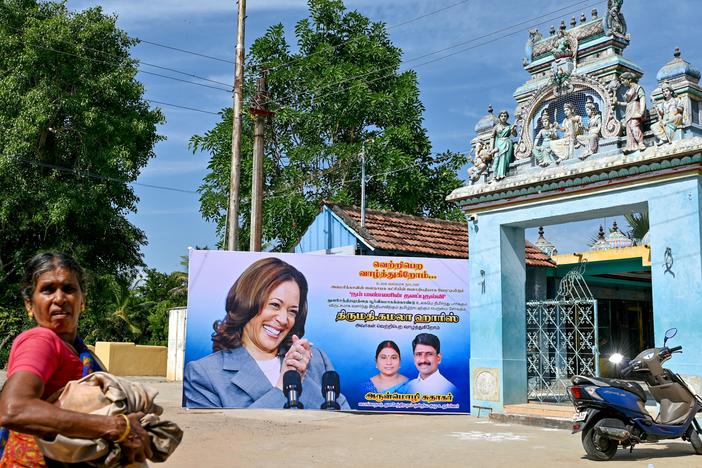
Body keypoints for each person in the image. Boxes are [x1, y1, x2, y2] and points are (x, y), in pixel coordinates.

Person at [0, 253, 151, 466]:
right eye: (47, 289)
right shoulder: (41, 341)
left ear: (83, 300)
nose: (59, 298)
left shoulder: (80, 351)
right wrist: (115, 426)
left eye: (69, 289)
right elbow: (14, 408)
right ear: (29, 304)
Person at [184, 257, 349, 409]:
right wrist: (281, 389)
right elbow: (220, 437)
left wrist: (302, 379)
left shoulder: (316, 359)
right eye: (275, 305)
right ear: (247, 302)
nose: (284, 319)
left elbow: (344, 422)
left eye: (292, 311)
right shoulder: (203, 374)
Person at [613, 72, 646, 153]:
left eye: (623, 80)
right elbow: (628, 103)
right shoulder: (628, 90)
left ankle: (641, 143)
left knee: (634, 126)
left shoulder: (638, 88)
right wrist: (618, 103)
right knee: (629, 129)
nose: (622, 82)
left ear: (629, 79)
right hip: (629, 109)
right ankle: (631, 146)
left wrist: (642, 111)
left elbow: (642, 98)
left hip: (636, 108)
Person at [490, 110, 520, 181]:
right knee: (497, 159)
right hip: (499, 144)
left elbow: (515, 135)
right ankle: (496, 175)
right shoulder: (496, 127)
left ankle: (502, 174)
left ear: (507, 118)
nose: (503, 117)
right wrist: (491, 148)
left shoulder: (509, 126)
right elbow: (492, 137)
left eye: (505, 116)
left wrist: (513, 130)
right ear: (499, 117)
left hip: (507, 143)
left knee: (504, 158)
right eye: (502, 116)